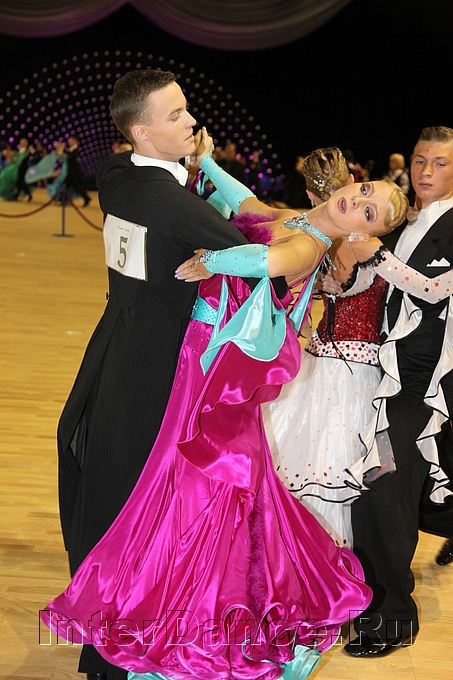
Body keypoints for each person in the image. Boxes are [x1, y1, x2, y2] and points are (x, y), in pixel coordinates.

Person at [42, 133, 408, 679]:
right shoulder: (295, 218)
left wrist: (212, 259)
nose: (356, 200)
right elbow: (246, 203)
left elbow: (267, 258)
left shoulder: (311, 246)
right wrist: (208, 162)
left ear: (362, 231)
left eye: (368, 211)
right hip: (203, 353)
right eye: (363, 190)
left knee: (202, 482)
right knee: (186, 477)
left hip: (213, 366)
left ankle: (199, 606)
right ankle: (177, 589)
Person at [54, 69, 273, 680]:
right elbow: (260, 248)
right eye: (175, 115)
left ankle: (105, 631)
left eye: (186, 109)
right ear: (141, 131)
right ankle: (115, 645)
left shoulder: (117, 176)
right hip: (153, 366)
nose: (191, 121)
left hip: (113, 349)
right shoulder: (173, 204)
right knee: (136, 498)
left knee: (108, 482)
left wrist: (197, 178)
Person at [263, 148, 453, 548]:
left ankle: (301, 557)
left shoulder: (331, 238)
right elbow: (428, 290)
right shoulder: (362, 244)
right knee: (341, 467)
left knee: (308, 463)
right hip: (353, 369)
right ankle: (324, 563)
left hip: (324, 363)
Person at [344, 126, 453, 658]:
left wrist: (374, 254)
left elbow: (433, 290)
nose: (426, 171)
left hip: (421, 386)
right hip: (381, 374)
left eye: (441, 163)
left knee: (384, 487)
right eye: (420, 159)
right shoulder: (407, 218)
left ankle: (392, 618)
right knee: (389, 483)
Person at [64, 134, 91, 207]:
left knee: (76, 187)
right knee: (66, 186)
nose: (69, 141)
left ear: (75, 141)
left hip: (74, 172)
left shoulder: (76, 150)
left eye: (71, 140)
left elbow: (72, 157)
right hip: (71, 172)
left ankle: (86, 198)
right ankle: (64, 200)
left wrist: (64, 151)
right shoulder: (71, 149)